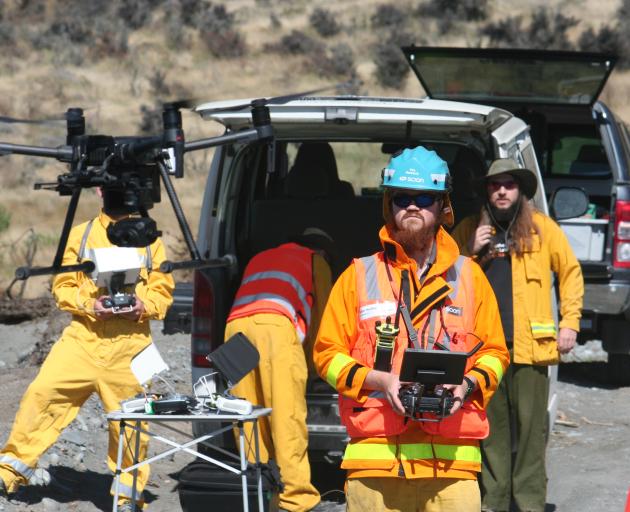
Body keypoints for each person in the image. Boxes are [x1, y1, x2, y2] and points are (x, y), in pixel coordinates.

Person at [313, 146, 509, 512]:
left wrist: (465, 385)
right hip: (375, 461)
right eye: (402, 197)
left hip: (453, 465)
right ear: (389, 205)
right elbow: (327, 356)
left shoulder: (470, 277)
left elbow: (496, 354)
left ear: (442, 207)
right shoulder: (359, 275)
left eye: (425, 198)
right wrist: (381, 382)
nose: (413, 206)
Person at [0, 191, 174, 512]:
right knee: (42, 394)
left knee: (131, 423)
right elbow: (62, 286)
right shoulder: (80, 235)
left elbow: (163, 293)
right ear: (98, 188)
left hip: (131, 346)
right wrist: (90, 304)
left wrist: (141, 305)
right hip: (82, 338)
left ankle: (128, 499)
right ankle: (10, 471)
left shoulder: (150, 239)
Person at [451, 158, 584, 512]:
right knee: (489, 432)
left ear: (520, 189)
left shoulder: (542, 228)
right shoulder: (467, 229)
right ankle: (493, 502)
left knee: (530, 432)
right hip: (482, 352)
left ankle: (528, 504)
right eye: (495, 185)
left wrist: (570, 322)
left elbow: (570, 272)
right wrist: (470, 251)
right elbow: (441, 276)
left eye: (508, 184)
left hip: (530, 350)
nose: (502, 190)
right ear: (487, 191)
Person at [224, 227, 335, 512]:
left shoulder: (261, 257)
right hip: (274, 328)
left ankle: (259, 491)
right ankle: (295, 499)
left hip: (233, 328)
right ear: (321, 250)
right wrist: (316, 370)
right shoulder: (315, 261)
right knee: (286, 416)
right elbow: (323, 319)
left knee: (248, 415)